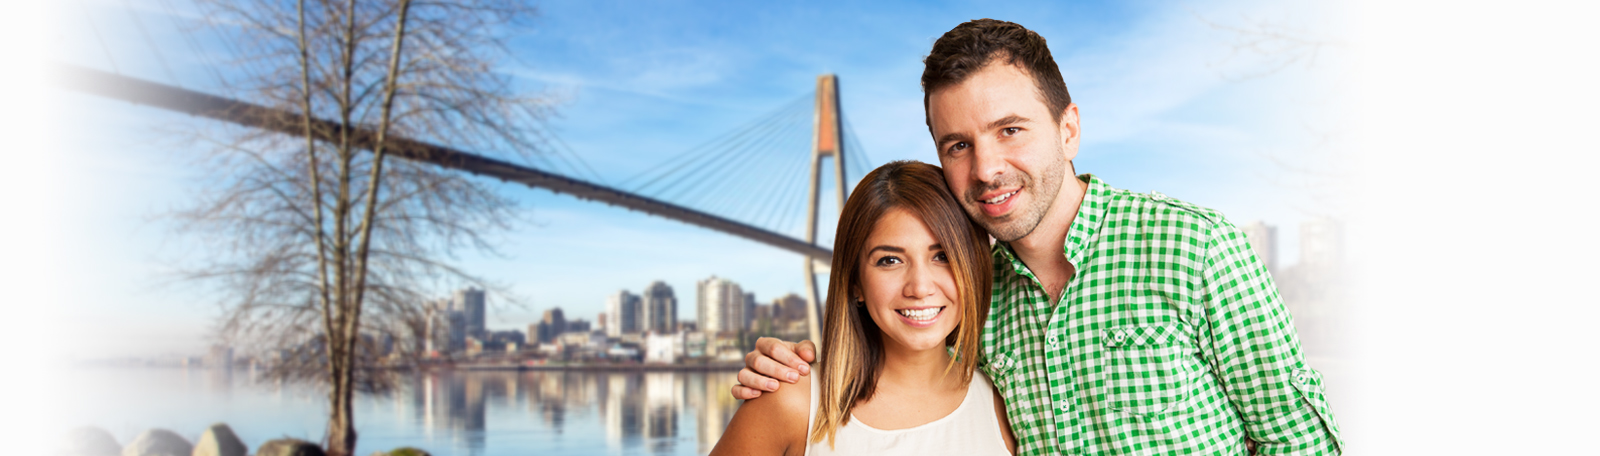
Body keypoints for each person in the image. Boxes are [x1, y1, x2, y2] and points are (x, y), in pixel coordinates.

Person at [734, 19, 1343, 455]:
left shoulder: (1195, 246)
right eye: (958, 145)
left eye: (1010, 130)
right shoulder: (970, 297)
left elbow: (1300, 440)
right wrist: (788, 368)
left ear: (1068, 128)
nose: (987, 168)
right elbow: (895, 372)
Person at [711, 161, 1015, 455]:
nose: (920, 287)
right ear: (855, 282)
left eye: (942, 256)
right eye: (890, 261)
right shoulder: (792, 401)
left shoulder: (1003, 403)